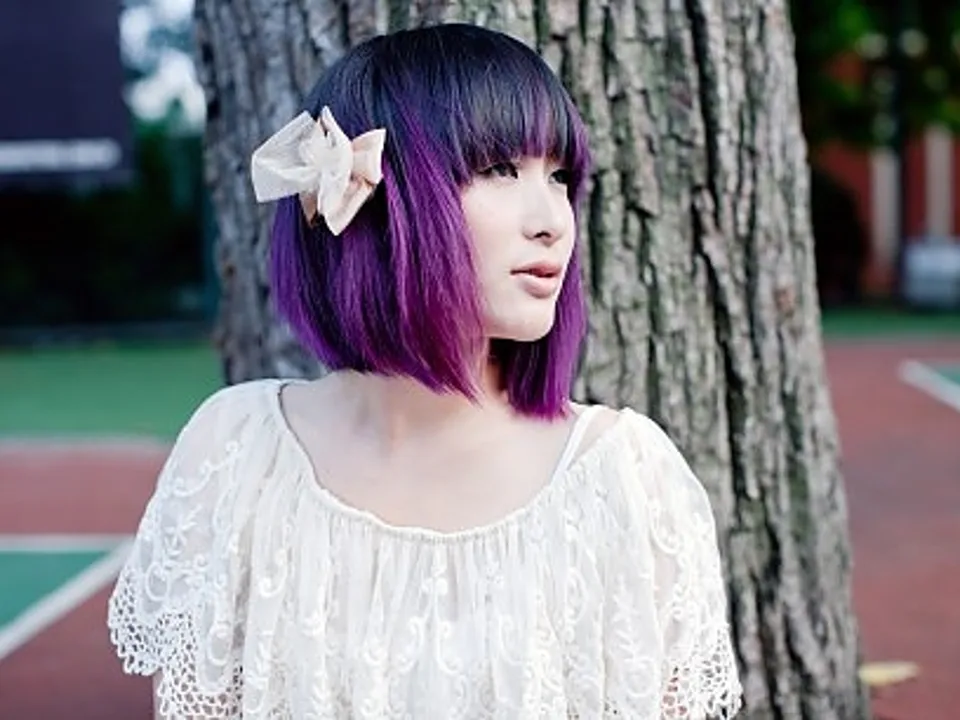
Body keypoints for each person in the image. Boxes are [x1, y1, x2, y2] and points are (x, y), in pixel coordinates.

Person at [106, 22, 742, 720]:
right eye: (499, 170)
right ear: (380, 202)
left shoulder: (624, 478)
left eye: (559, 177)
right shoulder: (236, 455)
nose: (553, 220)